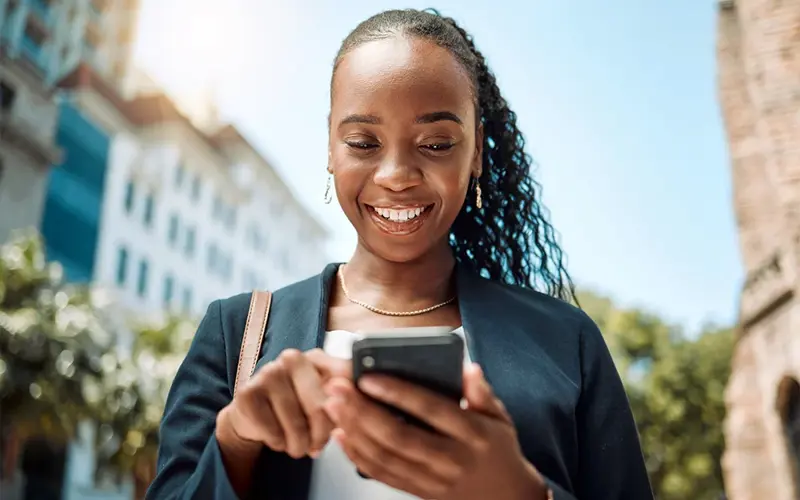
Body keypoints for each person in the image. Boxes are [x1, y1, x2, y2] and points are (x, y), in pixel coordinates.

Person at [146, 8, 653, 500]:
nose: (395, 174)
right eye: (363, 142)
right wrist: (235, 440)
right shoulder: (236, 333)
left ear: (476, 151)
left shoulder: (567, 341)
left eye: (435, 143)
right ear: (330, 147)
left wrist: (521, 493)